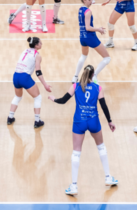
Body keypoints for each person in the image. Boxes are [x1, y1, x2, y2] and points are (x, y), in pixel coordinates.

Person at [49, 65, 118, 196]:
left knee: (76, 153)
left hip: (79, 122)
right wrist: (109, 121)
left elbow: (63, 100)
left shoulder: (75, 86)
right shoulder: (98, 88)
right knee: (101, 147)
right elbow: (104, 106)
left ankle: (74, 186)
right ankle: (108, 177)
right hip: (93, 121)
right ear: (93, 75)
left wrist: (54, 99)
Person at [64, 0, 111, 83]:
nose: (91, 1)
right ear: (84, 0)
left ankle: (75, 77)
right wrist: (98, 29)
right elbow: (88, 27)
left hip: (82, 37)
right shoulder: (88, 11)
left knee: (83, 56)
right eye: (89, 0)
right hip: (90, 37)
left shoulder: (80, 9)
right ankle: (94, 76)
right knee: (107, 58)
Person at [9, 37, 52, 128]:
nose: (41, 44)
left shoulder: (25, 51)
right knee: (37, 97)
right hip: (25, 77)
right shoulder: (37, 55)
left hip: (16, 76)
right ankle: (37, 121)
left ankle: (10, 117)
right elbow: (38, 72)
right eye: (40, 43)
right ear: (36, 45)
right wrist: (45, 85)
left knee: (18, 97)